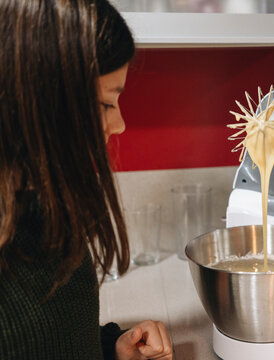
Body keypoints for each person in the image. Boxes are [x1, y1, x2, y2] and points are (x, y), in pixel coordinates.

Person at [0, 1, 173, 359]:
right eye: (106, 104)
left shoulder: (47, 208)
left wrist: (111, 348)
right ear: (41, 99)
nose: (119, 124)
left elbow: (49, 339)